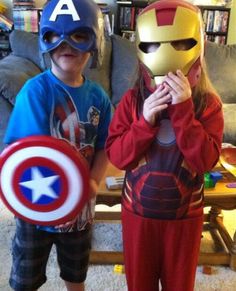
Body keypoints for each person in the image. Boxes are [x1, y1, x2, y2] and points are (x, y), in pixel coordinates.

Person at [105, 1, 224, 290]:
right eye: (154, 46)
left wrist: (184, 111)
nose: (168, 56)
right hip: (138, 219)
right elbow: (119, 157)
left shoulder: (207, 104)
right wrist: (144, 121)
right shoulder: (133, 102)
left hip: (185, 220)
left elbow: (204, 162)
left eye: (182, 43)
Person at [4, 0, 112, 290]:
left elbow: (105, 146)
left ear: (94, 44)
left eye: (79, 36)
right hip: (35, 211)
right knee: (25, 280)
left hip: (80, 212)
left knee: (75, 276)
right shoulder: (35, 92)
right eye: (55, 36)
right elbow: (18, 156)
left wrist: (93, 180)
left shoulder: (99, 98)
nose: (66, 44)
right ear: (44, 40)